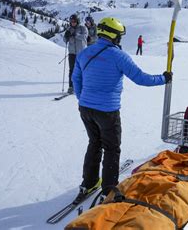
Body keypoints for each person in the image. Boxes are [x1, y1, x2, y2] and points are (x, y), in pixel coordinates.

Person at [72, 17, 171, 203]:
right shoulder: (118, 56)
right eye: (119, 36)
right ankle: (108, 189)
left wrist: (82, 98)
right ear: (114, 35)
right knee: (111, 148)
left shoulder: (85, 53)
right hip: (107, 110)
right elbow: (141, 78)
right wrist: (163, 79)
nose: (120, 40)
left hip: (85, 108)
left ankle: (89, 182)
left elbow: (76, 79)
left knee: (94, 143)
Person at [63, 14, 88, 94]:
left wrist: (76, 35)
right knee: (72, 70)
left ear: (77, 21)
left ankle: (82, 86)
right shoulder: (69, 29)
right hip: (72, 53)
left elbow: (85, 37)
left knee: (81, 70)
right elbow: (64, 40)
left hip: (81, 53)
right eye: (71, 21)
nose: (73, 23)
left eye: (74, 21)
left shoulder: (82, 28)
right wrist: (66, 37)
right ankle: (71, 87)